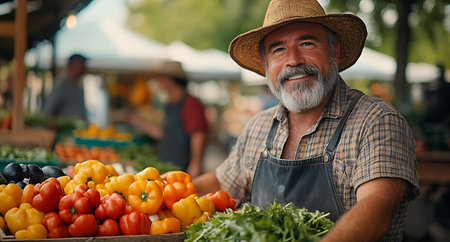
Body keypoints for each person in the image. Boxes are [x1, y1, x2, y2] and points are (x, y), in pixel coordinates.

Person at [193, 0, 420, 241]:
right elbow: (222, 181)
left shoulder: (376, 121)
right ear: (266, 65)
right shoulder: (258, 126)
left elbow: (376, 213)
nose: (293, 60)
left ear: (334, 51)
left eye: (307, 43)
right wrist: (165, 187)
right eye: (278, 49)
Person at [128, 61, 209, 178]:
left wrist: (195, 164)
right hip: (169, 166)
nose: (159, 82)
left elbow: (198, 134)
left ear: (169, 80)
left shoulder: (190, 103)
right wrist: (138, 122)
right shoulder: (170, 104)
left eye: (160, 78)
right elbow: (162, 133)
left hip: (183, 168)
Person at [43, 53, 88, 120]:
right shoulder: (61, 84)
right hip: (65, 129)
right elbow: (48, 109)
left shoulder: (79, 85)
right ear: (71, 66)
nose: (83, 68)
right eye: (81, 65)